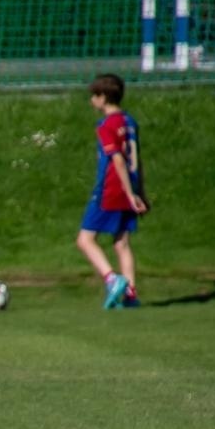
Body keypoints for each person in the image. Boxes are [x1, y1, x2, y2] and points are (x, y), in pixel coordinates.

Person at [76, 73, 148, 309]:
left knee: (85, 239)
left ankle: (112, 278)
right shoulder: (129, 121)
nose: (91, 101)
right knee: (121, 242)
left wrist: (127, 193)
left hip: (112, 189)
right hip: (132, 187)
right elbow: (136, 159)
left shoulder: (107, 125)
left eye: (94, 96)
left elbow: (117, 160)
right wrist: (139, 192)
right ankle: (130, 293)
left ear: (103, 97)